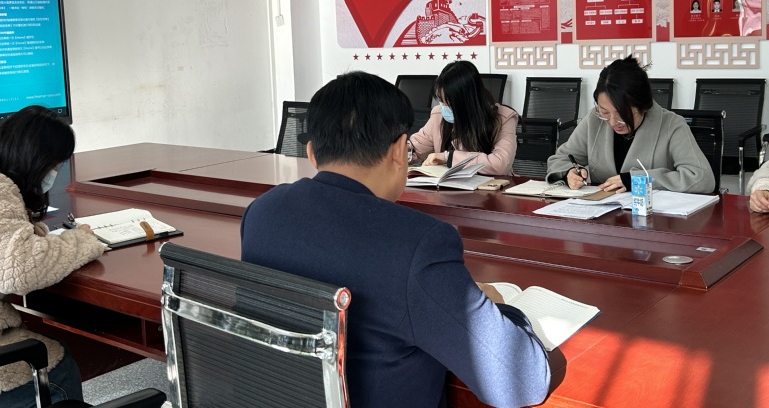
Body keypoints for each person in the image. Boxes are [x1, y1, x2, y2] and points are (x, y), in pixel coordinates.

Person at [241, 72, 550, 408]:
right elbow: (521, 382)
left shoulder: (262, 213)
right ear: (400, 151)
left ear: (312, 153)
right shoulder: (417, 244)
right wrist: (498, 307)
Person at [0, 106, 106, 407]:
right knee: (59, 369)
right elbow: (16, 271)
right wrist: (82, 240)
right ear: (35, 160)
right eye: (54, 165)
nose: (54, 174)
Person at [546, 56, 715, 194]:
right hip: (602, 215)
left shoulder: (672, 125)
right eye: (605, 112)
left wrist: (637, 180)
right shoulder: (594, 120)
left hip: (655, 217)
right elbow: (561, 159)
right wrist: (569, 173)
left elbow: (702, 178)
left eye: (622, 115)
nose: (613, 122)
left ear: (643, 106)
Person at [408, 61, 518, 176]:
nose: (444, 106)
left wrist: (448, 157)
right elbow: (416, 147)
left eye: (449, 101)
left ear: (468, 100)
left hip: (491, 185)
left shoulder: (503, 118)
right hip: (447, 184)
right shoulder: (438, 115)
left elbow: (500, 164)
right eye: (441, 100)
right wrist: (402, 151)